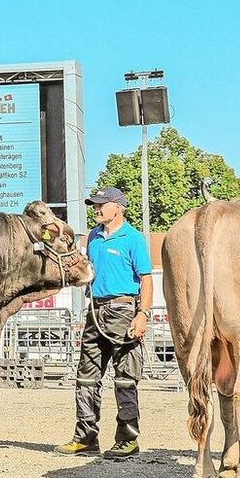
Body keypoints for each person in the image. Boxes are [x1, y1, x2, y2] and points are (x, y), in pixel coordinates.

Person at [55, 186, 152, 459]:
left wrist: (142, 314)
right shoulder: (94, 237)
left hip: (123, 309)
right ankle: (86, 438)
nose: (96, 209)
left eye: (101, 205)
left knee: (125, 379)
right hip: (95, 311)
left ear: (118, 206)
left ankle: (128, 439)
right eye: (94, 205)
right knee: (86, 377)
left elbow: (146, 278)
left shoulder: (132, 239)